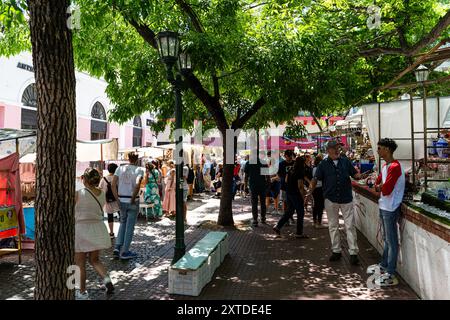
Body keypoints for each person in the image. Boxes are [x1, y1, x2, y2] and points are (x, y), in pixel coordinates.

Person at [307, 140, 368, 265]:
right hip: (331, 199)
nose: (337, 150)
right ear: (328, 150)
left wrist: (360, 176)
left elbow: (354, 174)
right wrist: (309, 193)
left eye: (338, 148)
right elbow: (315, 179)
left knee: (350, 225)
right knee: (333, 226)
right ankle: (336, 250)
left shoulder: (345, 161)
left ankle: (353, 253)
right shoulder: (323, 164)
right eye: (334, 148)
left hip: (346, 198)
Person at [368, 138, 405, 286]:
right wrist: (379, 186)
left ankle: (390, 271)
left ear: (387, 150)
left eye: (380, 148)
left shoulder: (394, 166)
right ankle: (384, 265)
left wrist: (378, 186)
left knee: (391, 240)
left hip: (390, 207)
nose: (377, 151)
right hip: (385, 205)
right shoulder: (386, 166)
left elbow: (386, 188)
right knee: (387, 238)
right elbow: (377, 183)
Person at [75, 168, 114, 300]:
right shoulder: (102, 193)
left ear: (84, 179)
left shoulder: (78, 193)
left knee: (80, 263)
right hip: (97, 228)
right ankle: (107, 280)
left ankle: (82, 292)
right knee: (95, 260)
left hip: (81, 229)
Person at [112, 152, 144, 260]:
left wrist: (117, 199)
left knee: (122, 223)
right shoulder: (139, 170)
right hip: (132, 200)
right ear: (137, 159)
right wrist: (133, 199)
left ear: (128, 158)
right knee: (130, 226)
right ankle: (125, 251)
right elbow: (137, 185)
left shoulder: (119, 168)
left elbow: (113, 185)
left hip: (121, 199)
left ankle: (117, 247)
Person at [273, 156, 308, 238]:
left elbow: (285, 180)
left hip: (289, 192)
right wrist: (303, 196)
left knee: (290, 211)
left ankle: (278, 226)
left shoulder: (290, 170)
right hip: (296, 194)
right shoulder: (300, 172)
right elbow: (300, 186)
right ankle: (299, 233)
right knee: (300, 213)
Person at [244, 158, 269, 227]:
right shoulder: (263, 162)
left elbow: (246, 176)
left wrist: (245, 186)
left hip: (253, 186)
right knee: (263, 203)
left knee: (254, 203)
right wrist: (268, 186)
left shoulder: (248, 163)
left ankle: (255, 220)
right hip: (262, 185)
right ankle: (263, 218)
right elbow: (267, 176)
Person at [99, 163, 120, 238]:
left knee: (110, 216)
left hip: (107, 200)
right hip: (117, 199)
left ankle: (111, 233)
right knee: (121, 215)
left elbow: (100, 189)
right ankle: (122, 232)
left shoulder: (103, 179)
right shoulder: (117, 178)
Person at [277, 150, 295, 224]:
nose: (290, 157)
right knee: (285, 202)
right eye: (288, 156)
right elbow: (279, 174)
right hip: (284, 186)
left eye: (291, 156)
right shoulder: (281, 164)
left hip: (293, 186)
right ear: (285, 156)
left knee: (292, 203)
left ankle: (290, 216)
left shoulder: (294, 163)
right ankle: (286, 218)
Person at [311, 155, 327, 229]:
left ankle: (314, 221)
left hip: (314, 188)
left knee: (316, 205)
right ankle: (319, 222)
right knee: (320, 206)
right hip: (320, 188)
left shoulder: (314, 168)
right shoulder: (321, 169)